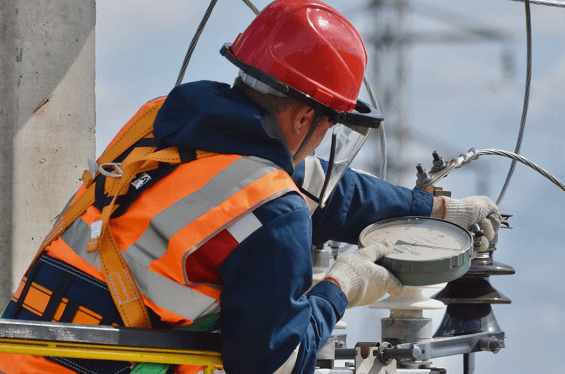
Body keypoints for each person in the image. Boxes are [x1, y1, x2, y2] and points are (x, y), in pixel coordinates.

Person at [0, 1, 500, 373]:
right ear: (306, 116)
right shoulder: (270, 209)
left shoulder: (165, 126)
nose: (325, 139)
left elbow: (327, 193)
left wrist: (433, 208)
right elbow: (277, 363)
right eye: (329, 126)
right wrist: (342, 288)